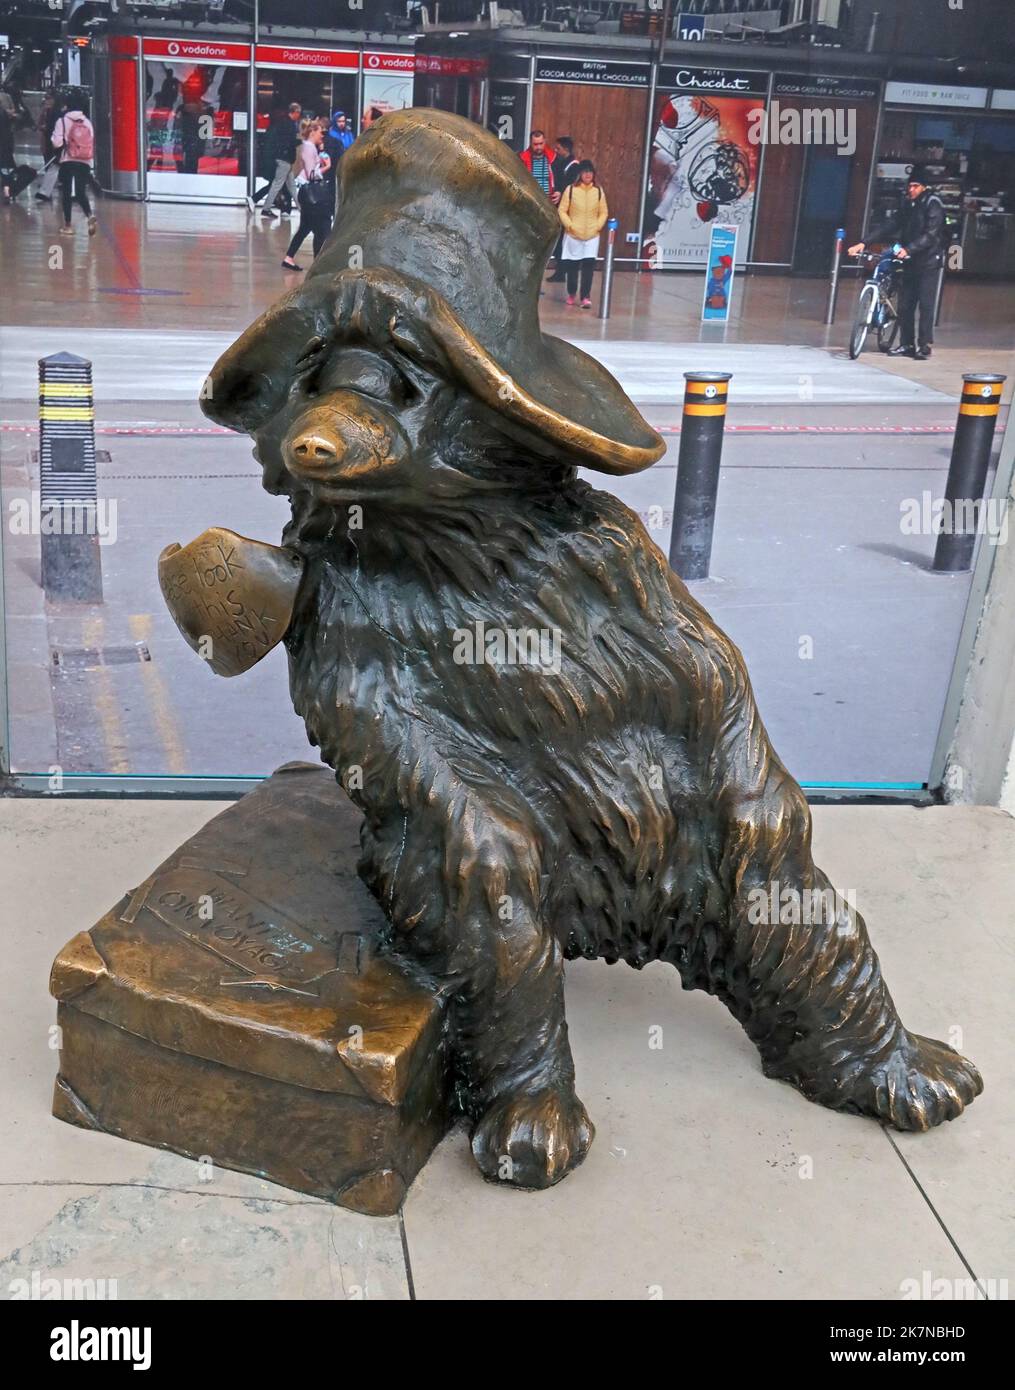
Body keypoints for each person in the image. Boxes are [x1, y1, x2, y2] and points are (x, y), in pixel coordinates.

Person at [848, 163, 945, 360]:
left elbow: (931, 235)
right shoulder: (907, 204)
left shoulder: (932, 204)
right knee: (905, 305)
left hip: (927, 262)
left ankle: (924, 345)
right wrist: (864, 242)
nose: (911, 189)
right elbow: (891, 225)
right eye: (910, 186)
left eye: (916, 186)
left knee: (925, 304)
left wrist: (909, 248)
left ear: (924, 187)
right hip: (908, 260)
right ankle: (906, 344)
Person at [281, 119, 332, 270]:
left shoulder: (309, 147)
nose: (322, 135)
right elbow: (311, 174)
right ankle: (318, 263)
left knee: (305, 227)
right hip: (311, 194)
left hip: (306, 193)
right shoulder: (309, 148)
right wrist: (326, 167)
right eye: (319, 132)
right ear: (312, 132)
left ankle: (289, 257)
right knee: (322, 227)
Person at [557, 159, 608, 308]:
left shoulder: (598, 191)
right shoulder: (571, 190)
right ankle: (572, 293)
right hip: (574, 235)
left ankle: (585, 296)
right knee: (572, 267)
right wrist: (570, 225)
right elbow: (562, 210)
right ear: (580, 174)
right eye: (585, 172)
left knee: (588, 267)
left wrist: (598, 226)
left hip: (592, 236)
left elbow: (604, 212)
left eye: (590, 172)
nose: (588, 175)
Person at [51, 93, 96, 237]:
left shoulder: (62, 121)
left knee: (66, 193)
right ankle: (89, 215)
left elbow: (56, 142)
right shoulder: (87, 122)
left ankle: (68, 225)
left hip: (68, 159)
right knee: (80, 191)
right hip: (85, 160)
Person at [547, 136, 580, 282]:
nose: (556, 150)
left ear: (566, 149)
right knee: (558, 241)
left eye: (558, 148)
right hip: (559, 206)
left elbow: (570, 185)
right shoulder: (560, 163)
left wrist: (561, 191)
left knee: (563, 241)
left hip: (568, 210)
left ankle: (562, 271)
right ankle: (560, 270)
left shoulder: (574, 166)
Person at [519, 130, 560, 205]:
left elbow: (561, 178)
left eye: (541, 143)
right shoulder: (522, 159)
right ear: (530, 143)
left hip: (550, 203)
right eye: (535, 144)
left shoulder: (555, 158)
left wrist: (559, 191)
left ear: (545, 141)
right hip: (531, 203)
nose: (538, 147)